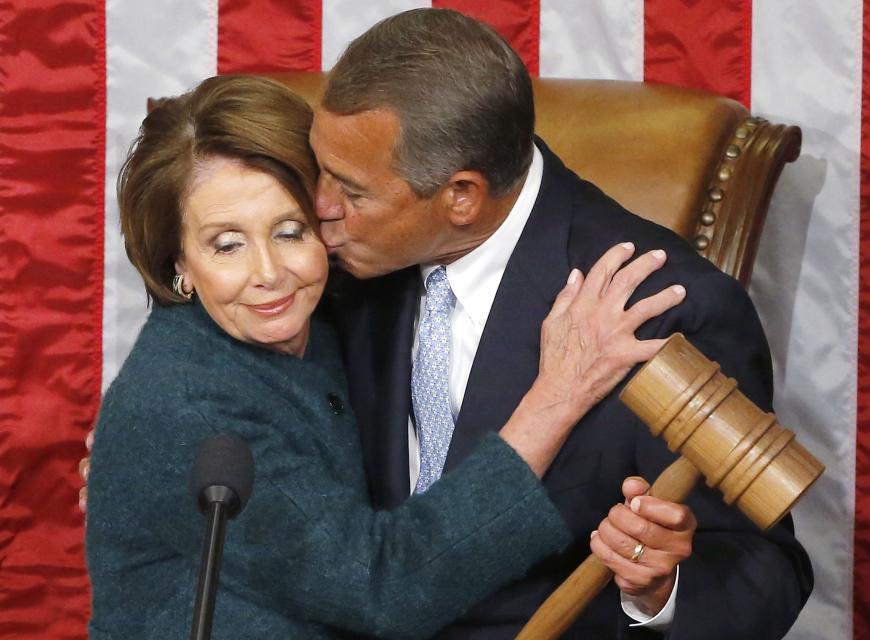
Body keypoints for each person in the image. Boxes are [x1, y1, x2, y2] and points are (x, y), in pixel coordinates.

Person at [84, 75, 682, 639]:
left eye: (290, 230)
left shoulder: (336, 310)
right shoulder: (184, 402)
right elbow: (384, 588)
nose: (268, 274)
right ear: (178, 265)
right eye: (227, 244)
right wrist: (557, 396)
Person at [311, 8, 814, 638]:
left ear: (461, 196)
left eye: (352, 192)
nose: (320, 207)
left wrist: (661, 587)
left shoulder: (661, 311)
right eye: (320, 170)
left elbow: (765, 570)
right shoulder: (338, 262)